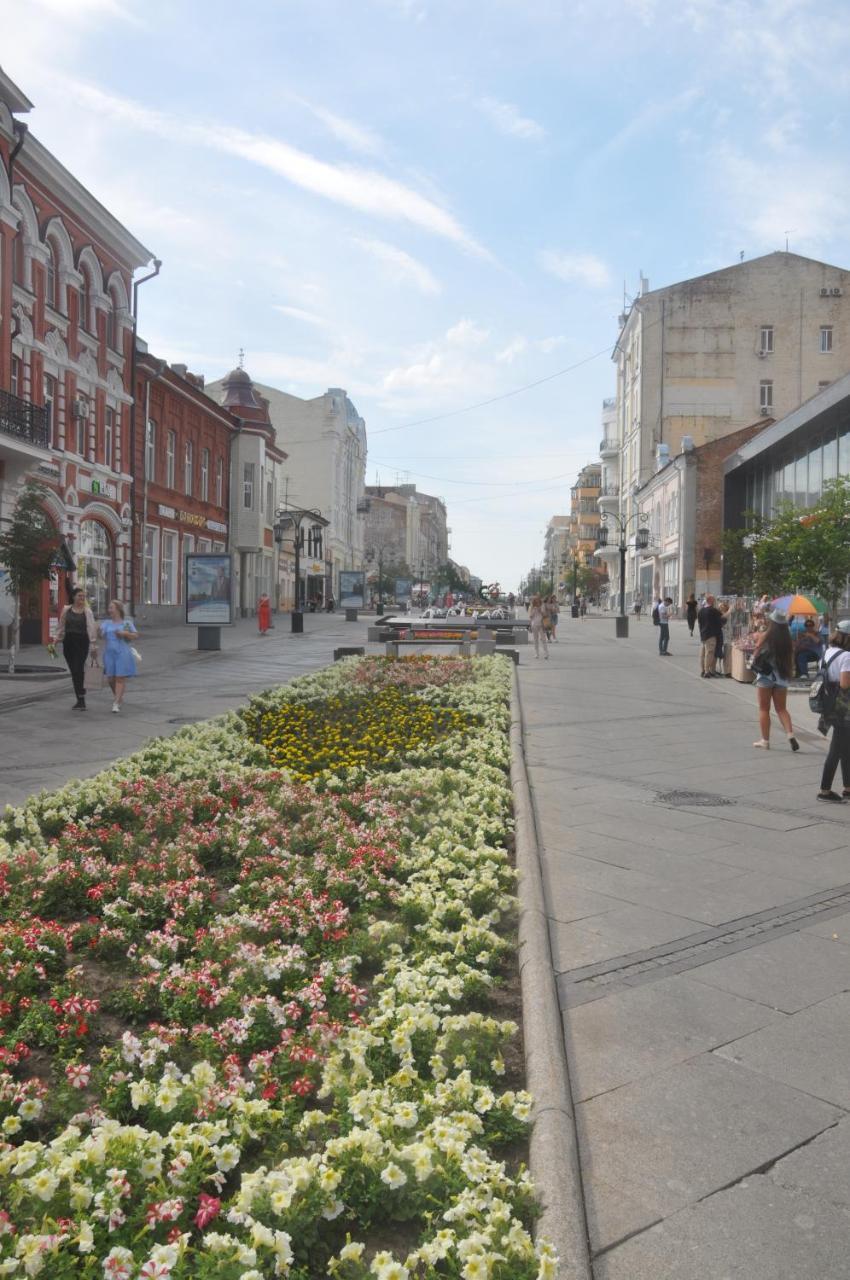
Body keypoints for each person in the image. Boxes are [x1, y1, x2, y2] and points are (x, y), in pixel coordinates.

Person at [750, 610, 799, 751]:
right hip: (782, 677)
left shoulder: (766, 636)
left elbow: (756, 653)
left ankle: (765, 741)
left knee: (764, 709)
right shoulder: (788, 639)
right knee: (782, 709)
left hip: (766, 677)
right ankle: (790, 734)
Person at [817, 620, 850, 802]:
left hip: (830, 705)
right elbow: (845, 684)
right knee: (836, 749)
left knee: (846, 748)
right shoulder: (846, 656)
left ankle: (848, 787)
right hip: (843, 708)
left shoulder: (828, 652)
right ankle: (825, 790)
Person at [54, 586, 97, 710]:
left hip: (82, 643)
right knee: (74, 671)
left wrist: (93, 645)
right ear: (73, 597)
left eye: (84, 596)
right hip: (68, 643)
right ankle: (79, 699)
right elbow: (61, 626)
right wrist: (56, 639)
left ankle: (81, 697)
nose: (82, 598)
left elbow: (91, 628)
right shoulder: (66, 610)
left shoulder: (87, 611)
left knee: (78, 668)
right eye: (80, 596)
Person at [99, 600, 138, 714]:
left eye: (111, 608)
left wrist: (124, 634)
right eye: (109, 608)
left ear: (118, 609)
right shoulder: (106, 623)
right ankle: (118, 696)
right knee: (110, 679)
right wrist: (97, 631)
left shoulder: (126, 623)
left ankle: (116, 703)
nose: (109, 610)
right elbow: (101, 636)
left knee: (120, 678)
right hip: (109, 653)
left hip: (122, 652)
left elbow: (135, 635)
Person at [697, 593, 724, 677]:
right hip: (711, 635)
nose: (715, 601)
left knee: (703, 654)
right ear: (710, 600)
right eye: (713, 599)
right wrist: (730, 611)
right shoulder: (712, 610)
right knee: (710, 653)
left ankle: (702, 670)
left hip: (703, 634)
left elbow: (699, 622)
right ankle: (706, 671)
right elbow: (722, 617)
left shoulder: (701, 610)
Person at [528, 594, 549, 659]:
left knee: (543, 639)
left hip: (541, 624)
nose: (537, 601)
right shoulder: (531, 606)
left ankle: (546, 653)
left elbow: (545, 614)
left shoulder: (542, 605)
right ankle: (536, 653)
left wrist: (540, 610)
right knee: (535, 639)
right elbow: (530, 616)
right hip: (534, 624)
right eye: (535, 600)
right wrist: (533, 610)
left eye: (538, 600)